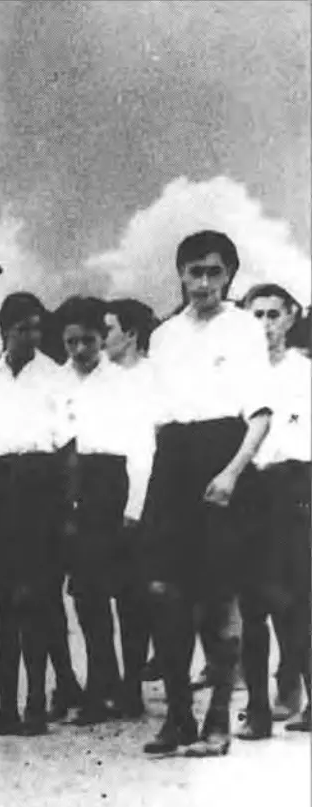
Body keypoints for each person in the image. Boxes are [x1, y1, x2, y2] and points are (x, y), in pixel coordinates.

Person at [141, 231, 270, 758]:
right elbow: (156, 417)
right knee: (162, 594)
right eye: (194, 272)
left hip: (223, 457)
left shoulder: (243, 329)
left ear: (230, 276)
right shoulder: (164, 336)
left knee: (218, 601)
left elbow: (260, 416)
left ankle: (218, 719)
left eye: (214, 272)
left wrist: (232, 473)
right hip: (172, 460)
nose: (203, 283)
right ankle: (178, 718)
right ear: (181, 275)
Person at [0, 293, 70, 738]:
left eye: (36, 327)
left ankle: (35, 706)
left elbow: (69, 451)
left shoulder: (54, 377)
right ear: (3, 330)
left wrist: (67, 511)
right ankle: (6, 708)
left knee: (36, 601)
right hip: (2, 491)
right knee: (4, 605)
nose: (32, 336)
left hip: (43, 487)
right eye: (22, 328)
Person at [54, 296, 155, 723]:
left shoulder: (125, 383)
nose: (80, 350)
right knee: (87, 596)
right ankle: (100, 685)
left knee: (129, 596)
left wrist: (134, 509)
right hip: (73, 490)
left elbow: (142, 449)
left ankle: (131, 689)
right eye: (71, 342)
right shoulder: (56, 383)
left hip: (115, 485)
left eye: (89, 340)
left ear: (102, 337)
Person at [236, 284, 310, 736]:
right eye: (256, 316)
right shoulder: (239, 375)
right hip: (249, 489)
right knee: (250, 605)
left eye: (272, 315)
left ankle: (299, 695)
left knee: (296, 603)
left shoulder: (303, 372)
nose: (264, 325)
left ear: (290, 317)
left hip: (294, 486)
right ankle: (258, 710)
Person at [103, 298, 161, 687]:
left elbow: (147, 447)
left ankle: (133, 680)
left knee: (137, 593)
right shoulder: (99, 376)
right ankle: (106, 679)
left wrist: (135, 505)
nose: (103, 337)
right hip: (101, 488)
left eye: (108, 329)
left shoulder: (152, 377)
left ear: (131, 334)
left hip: (143, 489)